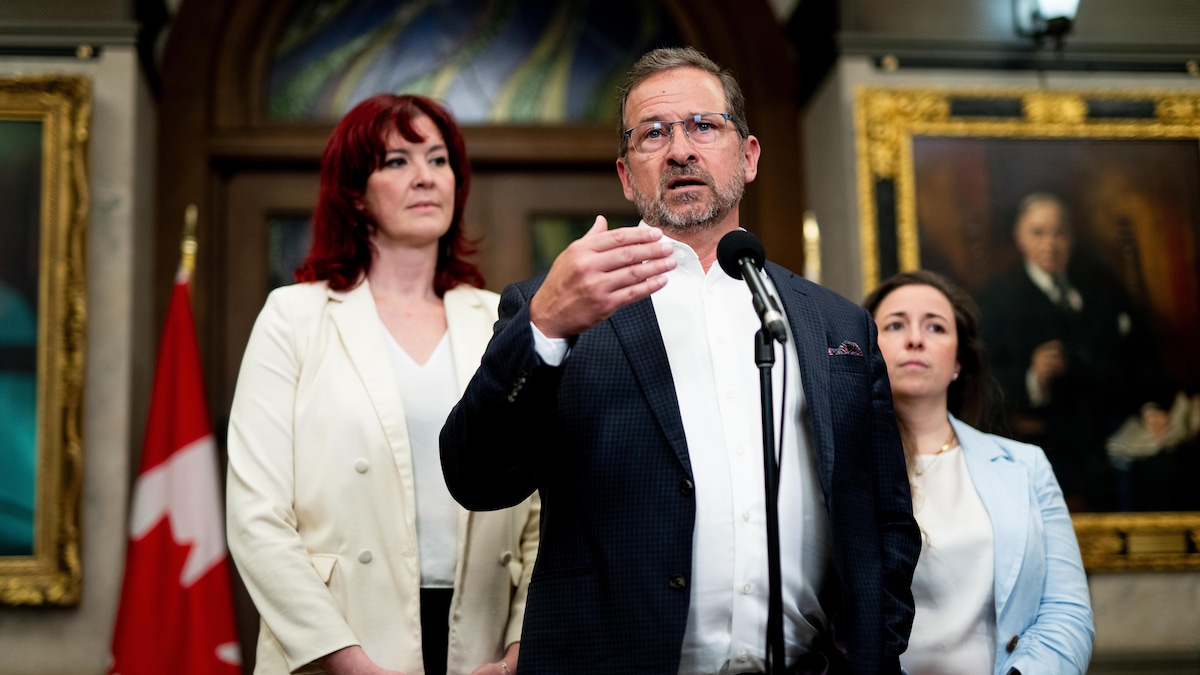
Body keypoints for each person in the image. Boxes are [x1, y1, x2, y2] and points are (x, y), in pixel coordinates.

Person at [440, 46, 920, 674]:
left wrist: (874, 650)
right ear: (625, 175)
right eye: (654, 134)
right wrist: (546, 328)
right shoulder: (556, 305)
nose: (680, 149)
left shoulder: (835, 322)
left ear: (747, 157)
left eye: (703, 126)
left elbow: (884, 517)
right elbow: (477, 477)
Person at [225, 94, 539, 675]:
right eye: (396, 161)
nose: (425, 177)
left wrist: (522, 651)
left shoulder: (503, 318)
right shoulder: (294, 317)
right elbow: (256, 516)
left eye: (439, 159)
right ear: (354, 193)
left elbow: (546, 512)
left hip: (487, 647)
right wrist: (347, 663)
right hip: (338, 643)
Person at [863, 270, 1094, 675]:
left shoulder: (1026, 467)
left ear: (958, 362)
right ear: (866, 347)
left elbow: (1067, 611)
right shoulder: (839, 465)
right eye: (895, 324)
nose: (915, 339)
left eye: (935, 326)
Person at [975, 192, 1171, 510]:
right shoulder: (996, 299)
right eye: (1038, 233)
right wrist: (1033, 378)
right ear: (1019, 237)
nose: (1050, 244)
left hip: (1120, 425)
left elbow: (1137, 351)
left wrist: (1149, 403)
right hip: (1052, 437)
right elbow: (982, 378)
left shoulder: (1098, 284)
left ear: (1072, 236)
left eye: (1060, 233)